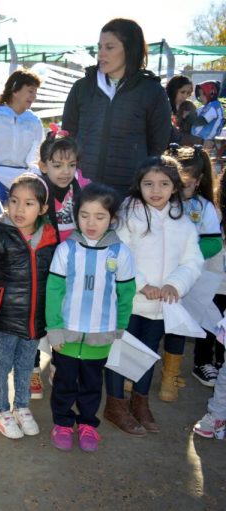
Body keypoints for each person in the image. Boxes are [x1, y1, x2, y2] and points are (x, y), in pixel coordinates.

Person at [105, 155, 202, 436]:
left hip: (162, 306)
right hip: (130, 301)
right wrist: (142, 284)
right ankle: (115, 405)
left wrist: (175, 285)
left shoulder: (182, 220)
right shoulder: (129, 215)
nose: (155, 190)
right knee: (121, 353)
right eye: (148, 184)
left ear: (175, 187)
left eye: (163, 183)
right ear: (139, 185)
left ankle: (140, 402)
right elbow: (119, 253)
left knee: (147, 355)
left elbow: (192, 261)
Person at [46, 183, 136, 452]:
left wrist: (120, 326)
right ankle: (62, 423)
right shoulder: (66, 250)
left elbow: (126, 293)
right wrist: (54, 328)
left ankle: (87, 424)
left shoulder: (120, 253)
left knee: (92, 385)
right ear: (76, 216)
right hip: (67, 335)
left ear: (112, 219)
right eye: (84, 215)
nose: (91, 223)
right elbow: (54, 290)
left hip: (101, 336)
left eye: (100, 216)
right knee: (64, 383)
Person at [0, 173, 58, 439]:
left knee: (27, 365)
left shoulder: (50, 238)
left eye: (28, 203)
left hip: (35, 318)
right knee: (2, 363)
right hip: (4, 315)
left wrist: (52, 316)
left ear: (43, 209)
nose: (19, 209)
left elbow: (55, 281)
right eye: (14, 201)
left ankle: (22, 406)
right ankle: (0, 410)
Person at [62, 19, 171, 193]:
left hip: (129, 194)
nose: (101, 54)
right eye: (99, 47)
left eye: (109, 47)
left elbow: (157, 145)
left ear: (130, 49)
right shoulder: (82, 88)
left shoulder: (152, 91)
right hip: (84, 190)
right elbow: (68, 135)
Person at [170, 145, 223, 388]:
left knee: (178, 326)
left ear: (199, 180)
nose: (181, 189)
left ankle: (170, 376)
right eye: (176, 182)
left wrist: (187, 257)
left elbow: (212, 242)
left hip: (187, 279)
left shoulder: (204, 207)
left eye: (187, 183)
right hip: (155, 275)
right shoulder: (160, 200)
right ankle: (136, 374)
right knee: (147, 324)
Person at [0, 69, 42, 203]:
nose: (34, 96)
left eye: (35, 92)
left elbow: (37, 155)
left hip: (23, 181)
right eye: (30, 91)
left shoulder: (34, 121)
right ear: (15, 90)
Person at [38, 131, 91, 243]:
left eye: (72, 165)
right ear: (43, 167)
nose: (66, 172)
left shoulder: (84, 187)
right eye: (58, 166)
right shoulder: (36, 191)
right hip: (47, 253)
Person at [166, 75, 201, 146]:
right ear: (173, 90)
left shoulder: (189, 106)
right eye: (182, 92)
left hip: (186, 147)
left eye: (188, 93)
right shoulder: (164, 105)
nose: (185, 96)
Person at [191, 80, 224, 150]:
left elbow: (201, 121)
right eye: (199, 94)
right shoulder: (205, 107)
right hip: (200, 142)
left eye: (203, 94)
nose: (200, 96)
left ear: (211, 93)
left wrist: (188, 117)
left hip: (207, 143)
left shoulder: (214, 106)